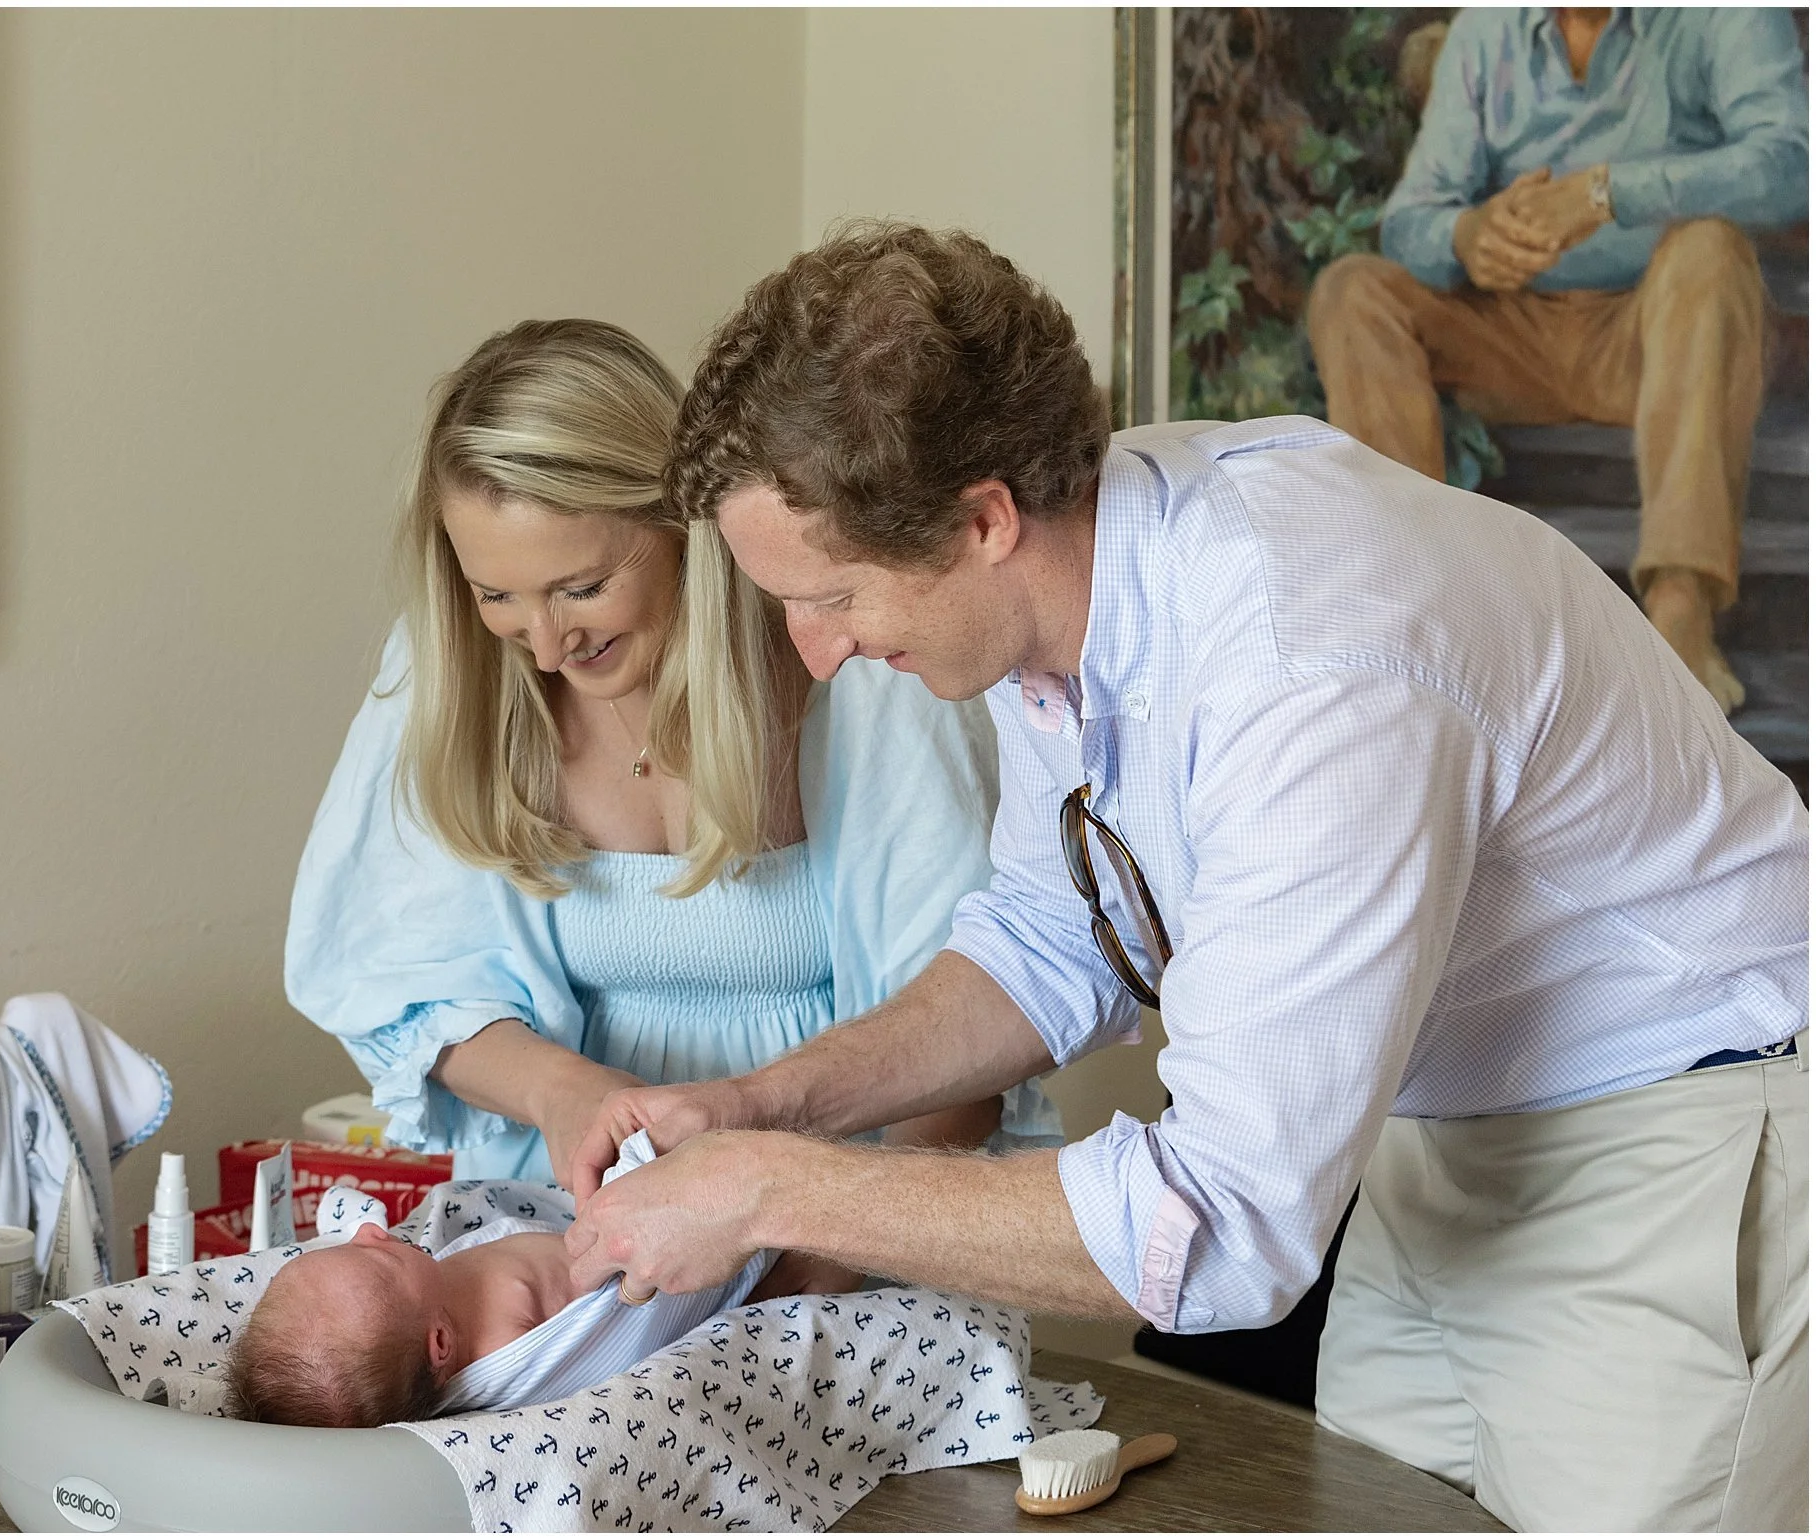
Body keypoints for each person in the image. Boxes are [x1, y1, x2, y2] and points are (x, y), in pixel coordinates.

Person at [559, 224, 1809, 1532]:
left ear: (983, 519)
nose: (817, 655)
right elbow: (1052, 941)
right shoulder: (1067, 601)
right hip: (1439, 1144)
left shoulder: (1313, 656)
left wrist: (773, 1189)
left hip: (1676, 1137)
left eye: (833, 599)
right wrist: (760, 1104)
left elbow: (1219, 1228)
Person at [285, 319, 1059, 1205]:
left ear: (684, 528)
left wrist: (800, 1261)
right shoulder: (449, 670)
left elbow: (973, 1031)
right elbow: (404, 983)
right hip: (567, 1206)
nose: (544, 645)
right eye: (497, 593)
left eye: (583, 589)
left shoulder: (856, 665)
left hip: (859, 1199)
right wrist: (569, 1095)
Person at [1307, 7, 1809, 714]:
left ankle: (1681, 617)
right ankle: (1414, 609)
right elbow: (1410, 219)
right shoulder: (1490, 29)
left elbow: (1791, 164)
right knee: (1352, 290)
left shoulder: (1723, 15)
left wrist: (1608, 193)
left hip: (1663, 333)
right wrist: (1464, 235)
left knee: (1708, 253)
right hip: (1513, 337)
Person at [230, 1140, 776, 1427]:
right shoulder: (510, 1351)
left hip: (561, 1221)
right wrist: (641, 1173)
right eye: (379, 1260)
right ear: (439, 1343)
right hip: (673, 1256)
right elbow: (611, 1337)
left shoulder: (427, 1304)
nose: (371, 1231)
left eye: (347, 1245)